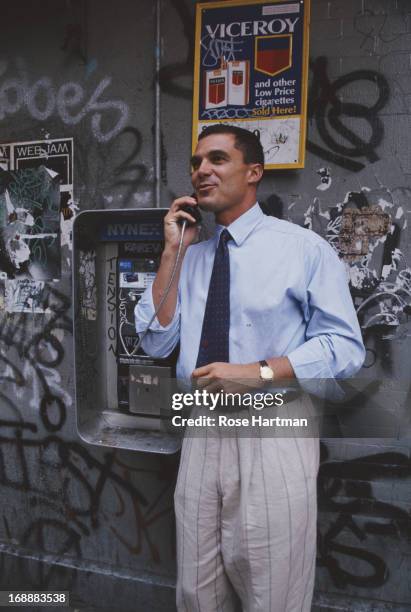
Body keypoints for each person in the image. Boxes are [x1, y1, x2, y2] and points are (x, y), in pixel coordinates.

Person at [135, 125, 365, 612]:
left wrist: (258, 373)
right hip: (201, 432)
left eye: (217, 159)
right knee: (198, 593)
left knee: (272, 592)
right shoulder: (191, 255)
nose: (202, 171)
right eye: (196, 163)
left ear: (254, 172)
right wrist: (172, 251)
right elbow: (155, 339)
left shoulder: (301, 250)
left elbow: (346, 349)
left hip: (274, 432)